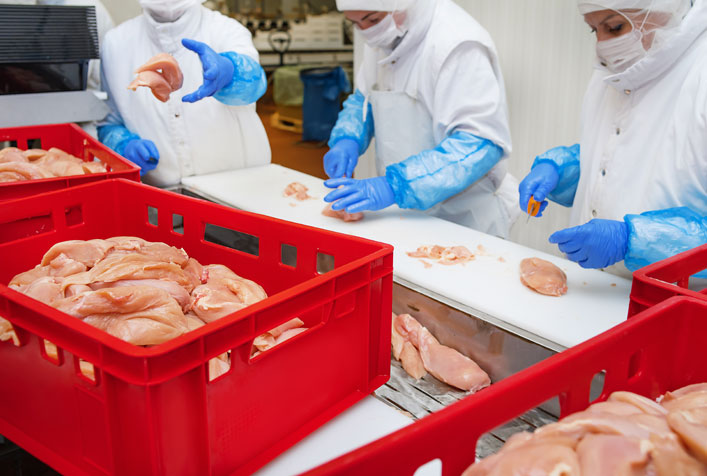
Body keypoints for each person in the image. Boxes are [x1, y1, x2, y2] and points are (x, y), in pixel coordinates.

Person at [519, 0, 707, 277]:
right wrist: (565, 170)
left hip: (675, 305)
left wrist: (636, 240)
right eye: (594, 30)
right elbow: (620, 155)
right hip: (595, 288)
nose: (602, 45)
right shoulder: (616, 68)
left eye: (615, 26)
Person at [322, 0, 519, 237]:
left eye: (373, 20)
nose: (366, 31)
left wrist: (395, 186)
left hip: (464, 218)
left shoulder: (457, 42)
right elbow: (364, 100)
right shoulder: (381, 37)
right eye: (354, 23)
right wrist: (348, 138)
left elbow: (479, 145)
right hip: (404, 213)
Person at [97, 0, 270, 187]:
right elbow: (108, 120)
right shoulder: (116, 43)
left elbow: (254, 85)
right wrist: (124, 146)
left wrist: (230, 71)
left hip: (237, 187)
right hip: (163, 197)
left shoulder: (226, 30)